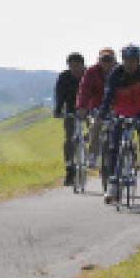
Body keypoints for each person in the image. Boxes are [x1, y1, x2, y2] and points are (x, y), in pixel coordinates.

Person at [98, 44, 140, 202]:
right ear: (122, 60)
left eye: (133, 60)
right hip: (120, 110)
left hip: (139, 108)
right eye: (126, 60)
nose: (129, 64)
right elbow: (109, 93)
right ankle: (112, 184)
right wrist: (103, 111)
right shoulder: (115, 73)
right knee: (113, 146)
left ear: (138, 60)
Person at [75, 47, 118, 168]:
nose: (106, 63)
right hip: (96, 106)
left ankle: (119, 155)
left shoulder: (120, 70)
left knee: (118, 127)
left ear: (114, 61)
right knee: (96, 126)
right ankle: (93, 155)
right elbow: (84, 89)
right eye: (103, 60)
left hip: (116, 105)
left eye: (109, 60)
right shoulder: (91, 72)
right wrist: (82, 106)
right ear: (99, 61)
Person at [54, 52, 86, 186]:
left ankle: (92, 156)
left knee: (95, 130)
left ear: (83, 65)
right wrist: (58, 109)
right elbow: (60, 95)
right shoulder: (64, 77)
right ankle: (69, 170)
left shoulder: (88, 75)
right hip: (71, 110)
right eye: (72, 66)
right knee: (69, 138)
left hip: (87, 108)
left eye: (77, 65)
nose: (75, 69)